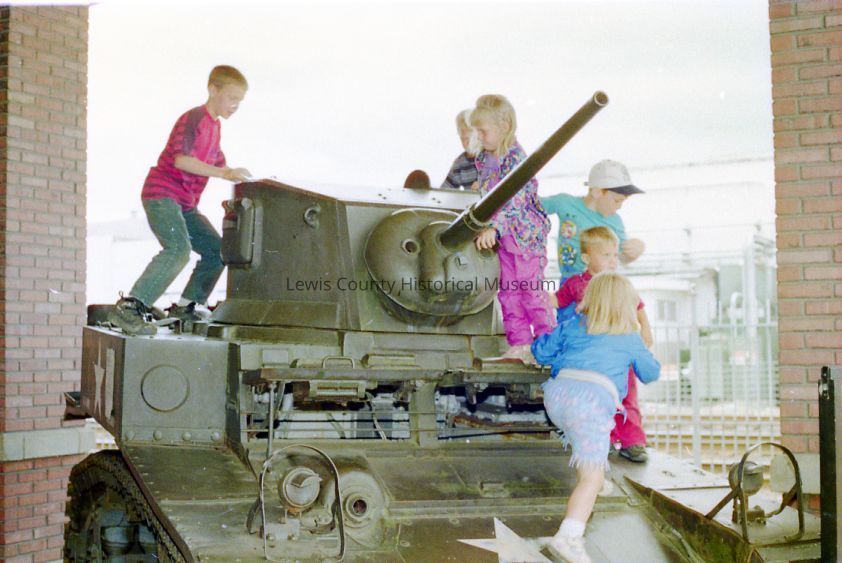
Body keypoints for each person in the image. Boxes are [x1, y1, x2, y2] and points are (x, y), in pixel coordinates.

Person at [108, 65, 252, 336]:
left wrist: (242, 176)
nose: (235, 106)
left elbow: (220, 165)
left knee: (217, 251)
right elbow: (182, 160)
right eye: (232, 98)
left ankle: (186, 306)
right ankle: (130, 308)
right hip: (162, 194)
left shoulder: (215, 128)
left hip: (185, 204)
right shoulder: (194, 118)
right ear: (213, 89)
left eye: (240, 101)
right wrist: (225, 173)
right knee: (178, 249)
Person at [532, 272, 660, 563]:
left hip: (556, 398)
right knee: (592, 475)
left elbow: (541, 352)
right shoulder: (629, 337)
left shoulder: (572, 325)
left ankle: (595, 481)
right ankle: (568, 538)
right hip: (590, 404)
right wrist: (642, 350)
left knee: (585, 446)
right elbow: (650, 373)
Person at [552, 226, 654, 463]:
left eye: (615, 255)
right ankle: (602, 439)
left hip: (620, 352)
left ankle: (632, 442)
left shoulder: (620, 283)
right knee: (596, 398)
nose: (613, 261)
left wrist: (646, 330)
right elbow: (555, 300)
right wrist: (526, 292)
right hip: (593, 356)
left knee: (627, 396)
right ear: (587, 257)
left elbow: (639, 308)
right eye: (606, 255)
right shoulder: (575, 284)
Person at [470, 94, 554, 363]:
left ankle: (547, 345)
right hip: (502, 239)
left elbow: (515, 201)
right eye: (477, 131)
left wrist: (494, 227)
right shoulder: (484, 159)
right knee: (508, 293)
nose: (479, 136)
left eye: (484, 131)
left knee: (531, 292)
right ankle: (520, 344)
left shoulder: (518, 160)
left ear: (504, 126)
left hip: (525, 238)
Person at [540, 159, 646, 284]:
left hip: (600, 284)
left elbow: (623, 258)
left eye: (622, 201)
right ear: (597, 192)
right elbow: (532, 203)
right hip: (569, 281)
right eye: (617, 200)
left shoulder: (615, 222)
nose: (619, 206)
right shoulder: (565, 203)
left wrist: (636, 251)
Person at [441, 109, 479, 190]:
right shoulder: (460, 163)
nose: (466, 143)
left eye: (469, 139)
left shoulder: (491, 156)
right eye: (463, 139)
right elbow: (445, 190)